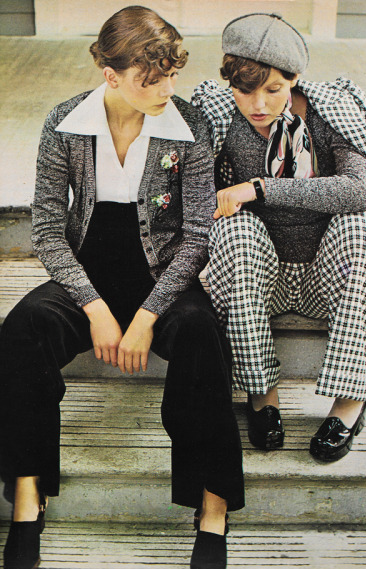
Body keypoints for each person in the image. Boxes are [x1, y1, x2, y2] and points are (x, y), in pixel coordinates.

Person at [0, 7, 244, 569]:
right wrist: (95, 307)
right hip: (87, 270)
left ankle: (212, 509)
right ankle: (28, 499)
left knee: (203, 335)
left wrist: (146, 317)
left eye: (172, 76)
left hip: (163, 273)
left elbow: (197, 235)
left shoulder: (190, 125)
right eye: (150, 79)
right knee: (23, 329)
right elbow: (47, 230)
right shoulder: (65, 123)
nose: (166, 89)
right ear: (110, 75)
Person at [192, 13, 366, 462]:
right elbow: (200, 196)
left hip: (328, 276)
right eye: (245, 90)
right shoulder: (220, 117)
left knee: (360, 228)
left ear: (295, 79)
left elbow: (359, 190)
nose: (258, 104)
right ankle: (262, 394)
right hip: (260, 280)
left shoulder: (330, 112)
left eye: (273, 89)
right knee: (233, 229)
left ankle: (349, 403)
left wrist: (260, 187)